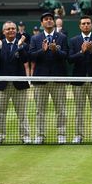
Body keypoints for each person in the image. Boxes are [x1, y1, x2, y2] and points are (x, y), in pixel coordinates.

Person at [29, 12, 69, 144]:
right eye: (46, 19)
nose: (49, 21)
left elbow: (66, 56)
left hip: (58, 79)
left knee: (61, 110)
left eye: (51, 19)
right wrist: (44, 50)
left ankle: (61, 135)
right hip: (41, 80)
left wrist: (55, 50)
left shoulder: (62, 37)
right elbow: (31, 56)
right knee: (40, 110)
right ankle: (40, 135)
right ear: (42, 23)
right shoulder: (35, 38)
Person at [0, 21, 30, 145]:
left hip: (19, 85)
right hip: (2, 85)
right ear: (4, 32)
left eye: (13, 28)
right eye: (8, 29)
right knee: (1, 113)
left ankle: (26, 137)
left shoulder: (22, 43)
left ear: (16, 30)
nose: (11, 30)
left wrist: (20, 46)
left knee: (22, 113)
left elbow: (26, 59)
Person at [68, 15, 92, 144]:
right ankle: (78, 135)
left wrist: (91, 51)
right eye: (83, 23)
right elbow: (70, 59)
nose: (86, 25)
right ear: (80, 26)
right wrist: (82, 52)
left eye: (88, 23)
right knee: (79, 110)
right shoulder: (73, 41)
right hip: (79, 80)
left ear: (91, 25)